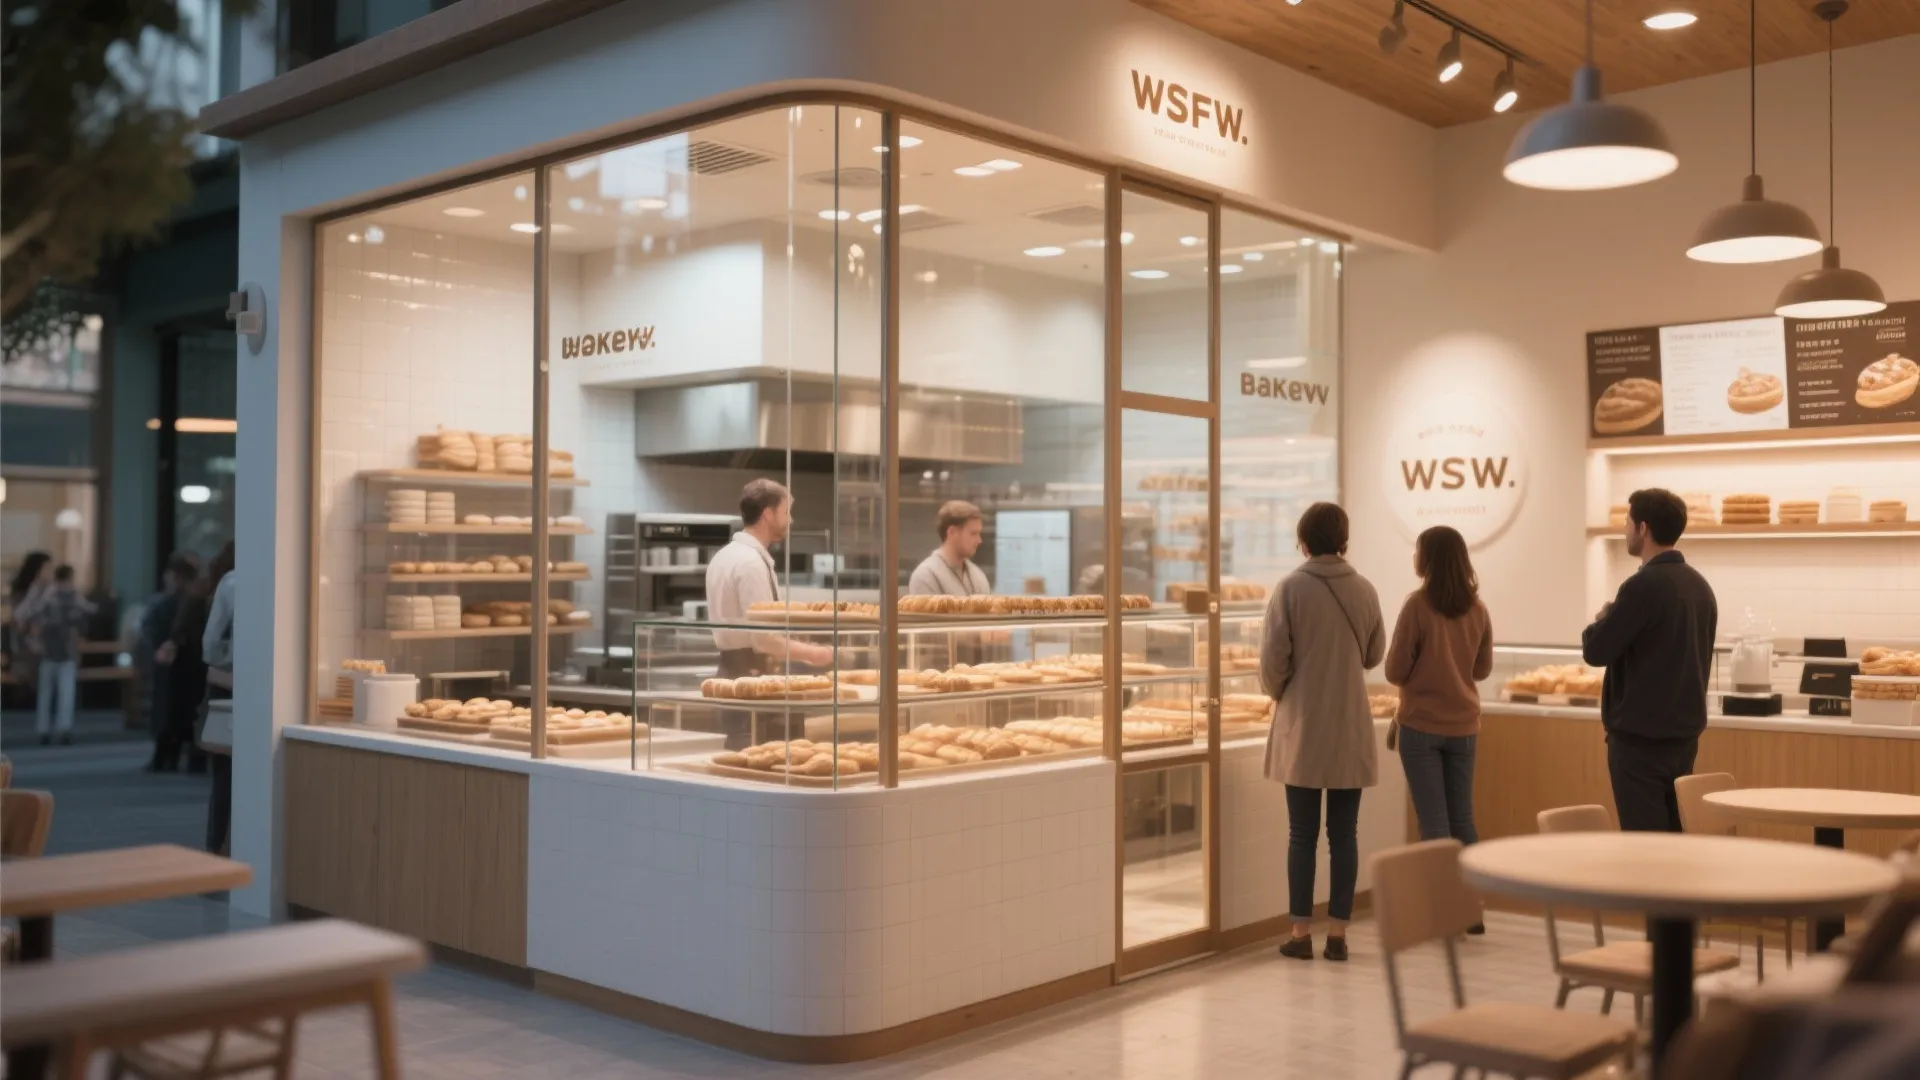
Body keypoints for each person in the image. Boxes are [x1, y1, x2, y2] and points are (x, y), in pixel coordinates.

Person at [1260, 502, 1385, 962]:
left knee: (1301, 834)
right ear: (1344, 541)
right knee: (1344, 834)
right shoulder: (1366, 590)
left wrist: (1281, 692)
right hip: (1351, 723)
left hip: (1304, 727)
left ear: (1304, 541)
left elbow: (1273, 663)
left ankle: (1299, 934)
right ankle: (1338, 935)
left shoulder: (1290, 588)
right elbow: (1374, 655)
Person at [1582, 488, 1717, 833]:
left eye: (1627, 523)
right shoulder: (1700, 586)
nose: (1625, 530)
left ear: (1643, 528)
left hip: (1639, 744)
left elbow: (1596, 650)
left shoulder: (1643, 586)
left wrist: (1602, 619)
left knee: (1645, 846)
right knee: (1673, 840)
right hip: (1683, 740)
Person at [1384, 526, 1493, 934]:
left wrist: (1422, 671)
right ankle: (1471, 908)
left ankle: (1441, 913)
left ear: (1426, 559)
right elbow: (1481, 669)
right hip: (1464, 726)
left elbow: (1395, 669)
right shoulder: (1478, 609)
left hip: (1421, 726)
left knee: (1434, 824)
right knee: (1463, 820)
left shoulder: (1416, 606)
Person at [705, 479, 834, 677]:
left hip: (731, 671)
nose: (790, 520)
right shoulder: (750, 563)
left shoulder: (725, 555)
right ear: (767, 514)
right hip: (752, 674)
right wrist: (816, 653)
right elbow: (763, 640)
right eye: (785, 512)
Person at [18, 564, 95, 745]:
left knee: (45, 694)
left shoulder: (48, 598)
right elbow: (86, 617)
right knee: (66, 692)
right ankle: (64, 729)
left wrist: (32, 640)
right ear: (70, 577)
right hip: (67, 650)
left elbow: (29, 616)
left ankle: (43, 729)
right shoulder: (75, 598)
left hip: (47, 650)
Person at [194, 543, 237, 854]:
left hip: (228, 687)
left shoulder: (232, 582)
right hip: (274, 692)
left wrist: (231, 658)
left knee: (224, 776)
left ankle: (216, 846)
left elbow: (210, 644)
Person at [143, 554, 200, 771]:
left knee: (166, 709)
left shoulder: (165, 603)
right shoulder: (197, 601)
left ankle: (163, 756)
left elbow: (149, 628)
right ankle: (185, 756)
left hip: (167, 665)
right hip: (190, 667)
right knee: (185, 710)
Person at [908, 501, 991, 596]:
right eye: (973, 534)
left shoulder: (978, 576)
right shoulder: (926, 576)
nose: (979, 540)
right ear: (952, 532)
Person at [5, 551, 53, 695]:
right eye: (47, 568)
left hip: (43, 638)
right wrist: (34, 590)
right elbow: (19, 614)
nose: (50, 572)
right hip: (24, 638)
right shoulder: (22, 588)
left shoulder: (50, 589)